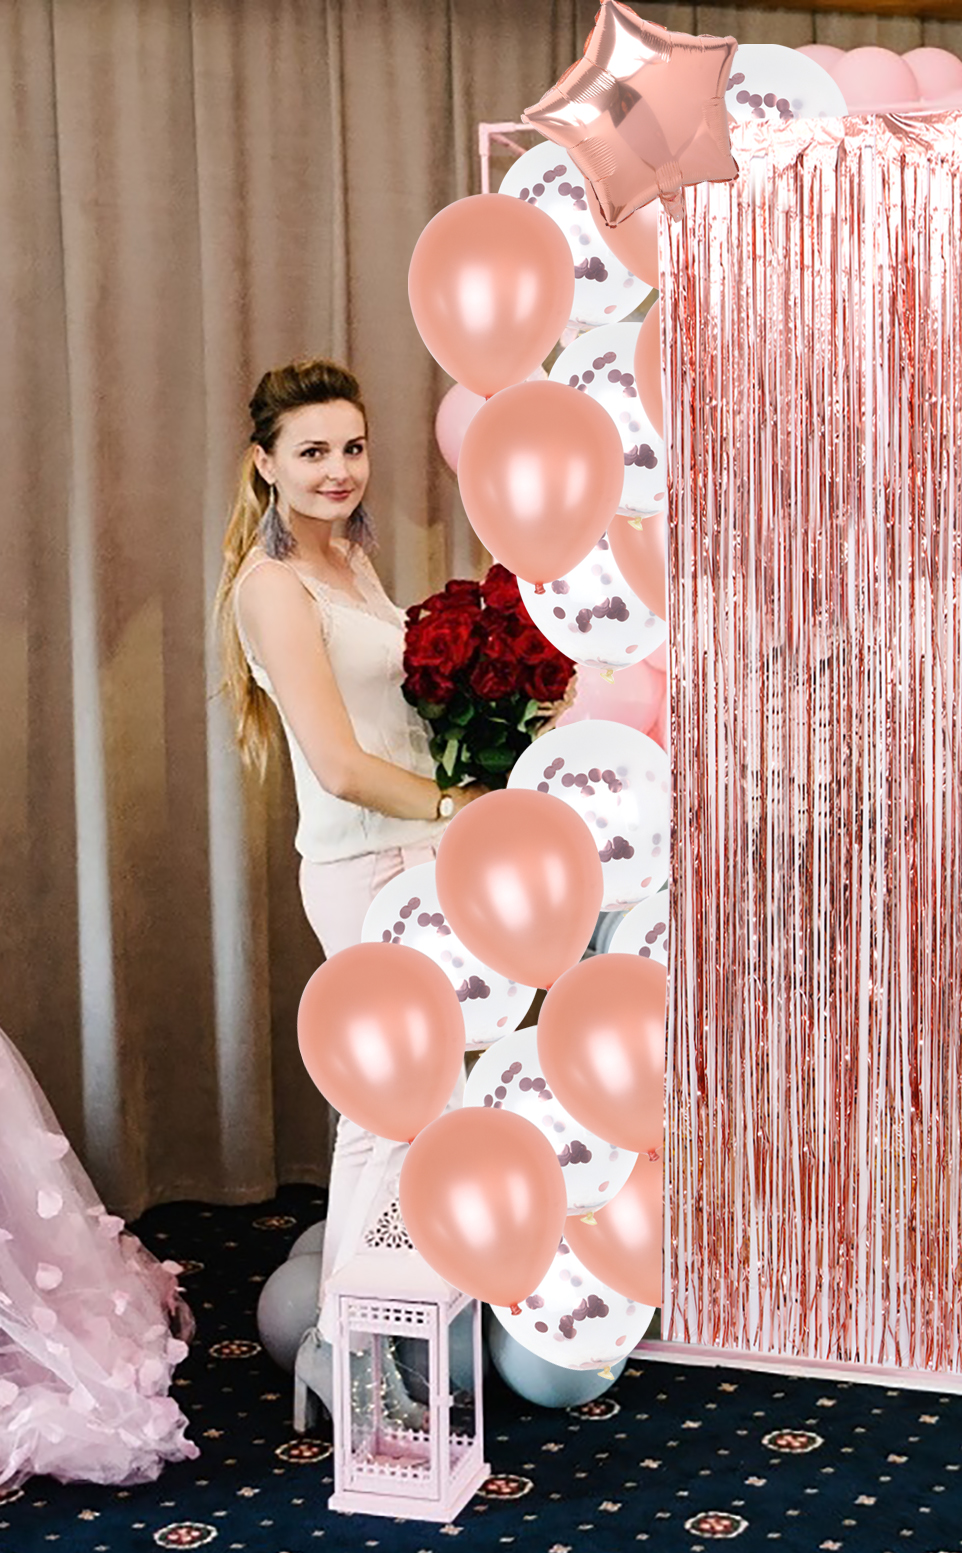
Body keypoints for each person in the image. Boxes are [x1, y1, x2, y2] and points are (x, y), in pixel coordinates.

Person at [211, 359, 564, 1385]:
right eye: (312, 451)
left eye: (353, 447)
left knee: (418, 1104)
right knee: (388, 1112)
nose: (338, 469)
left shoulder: (351, 561)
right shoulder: (273, 586)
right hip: (366, 869)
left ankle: (365, 1331)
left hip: (419, 854)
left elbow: (402, 723)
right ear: (265, 463)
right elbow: (339, 765)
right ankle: (342, 1348)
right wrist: (463, 805)